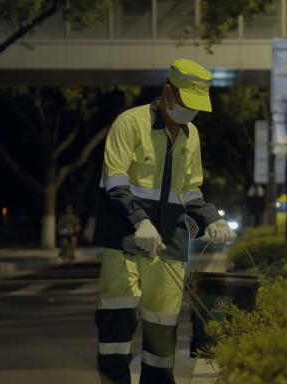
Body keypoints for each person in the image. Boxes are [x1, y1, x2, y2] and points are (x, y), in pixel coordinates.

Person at [93, 58, 236, 384]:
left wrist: (210, 218)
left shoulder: (192, 135)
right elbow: (115, 181)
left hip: (170, 237)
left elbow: (189, 188)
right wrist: (140, 222)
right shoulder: (129, 123)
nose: (189, 112)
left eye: (196, 107)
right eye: (185, 103)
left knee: (162, 322)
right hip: (125, 235)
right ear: (167, 92)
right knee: (118, 315)